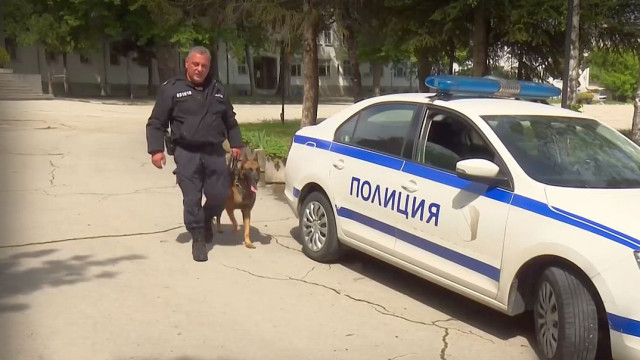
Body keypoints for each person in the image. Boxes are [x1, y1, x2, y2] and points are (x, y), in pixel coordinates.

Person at [146, 45, 243, 262]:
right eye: (196, 64)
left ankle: (207, 217)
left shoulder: (218, 89)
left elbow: (230, 120)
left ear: (209, 68)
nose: (200, 69)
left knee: (219, 194)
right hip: (186, 152)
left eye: (204, 66)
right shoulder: (171, 89)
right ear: (187, 64)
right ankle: (198, 236)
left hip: (214, 152)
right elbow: (156, 122)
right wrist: (156, 150)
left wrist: (236, 143)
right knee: (192, 197)